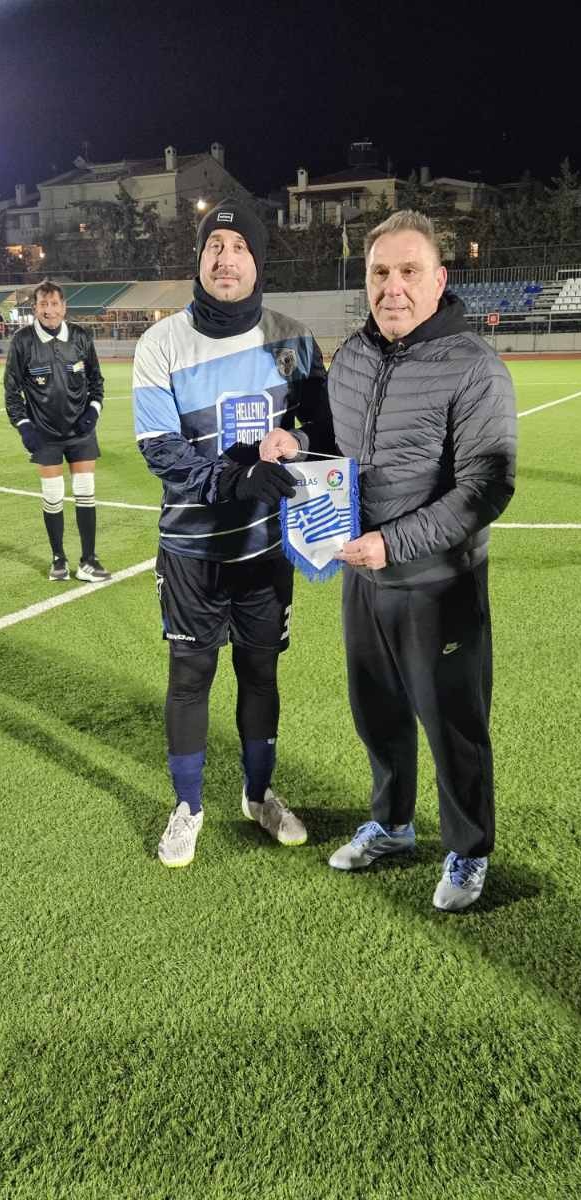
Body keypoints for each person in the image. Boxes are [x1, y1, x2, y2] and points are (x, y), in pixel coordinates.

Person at [324, 210, 517, 912]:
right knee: (375, 712)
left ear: (439, 280)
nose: (392, 287)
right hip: (362, 578)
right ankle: (393, 823)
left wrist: (394, 542)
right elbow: (335, 444)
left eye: (409, 271)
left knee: (453, 725)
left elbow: (487, 487)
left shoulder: (474, 367)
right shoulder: (351, 356)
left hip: (440, 583)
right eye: (380, 272)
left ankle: (468, 849)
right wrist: (295, 444)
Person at [133, 200, 334, 868]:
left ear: (258, 260)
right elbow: (162, 451)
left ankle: (257, 795)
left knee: (260, 672)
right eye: (213, 246)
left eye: (239, 246)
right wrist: (237, 479)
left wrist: (296, 441)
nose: (226, 259)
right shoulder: (161, 343)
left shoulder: (292, 339)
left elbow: (325, 434)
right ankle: (187, 806)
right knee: (190, 675)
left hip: (265, 549)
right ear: (198, 259)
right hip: (191, 552)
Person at [4, 280, 111, 582]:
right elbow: (11, 392)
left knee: (85, 491)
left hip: (81, 432)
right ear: (35, 308)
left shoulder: (80, 337)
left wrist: (93, 411)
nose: (49, 310)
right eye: (43, 304)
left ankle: (88, 561)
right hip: (44, 433)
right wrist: (24, 427)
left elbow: (96, 381)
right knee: (52, 495)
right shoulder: (22, 341)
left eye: (54, 304)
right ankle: (58, 559)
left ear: (64, 307)